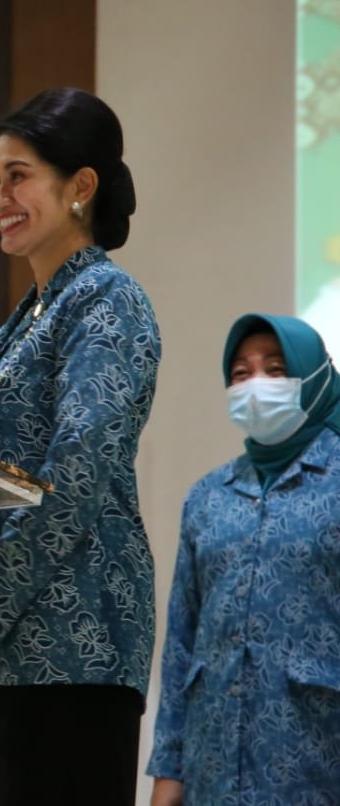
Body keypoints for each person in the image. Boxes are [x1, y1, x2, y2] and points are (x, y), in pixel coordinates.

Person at [0, 87, 160, 806]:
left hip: (75, 649)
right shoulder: (24, 321)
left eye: (18, 177)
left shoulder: (108, 301)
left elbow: (77, 475)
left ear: (80, 186)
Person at [148, 313, 340, 804]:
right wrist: (168, 769)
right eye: (240, 373)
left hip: (316, 763)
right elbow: (181, 640)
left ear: (316, 378)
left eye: (276, 370)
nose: (256, 385)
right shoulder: (208, 496)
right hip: (212, 768)